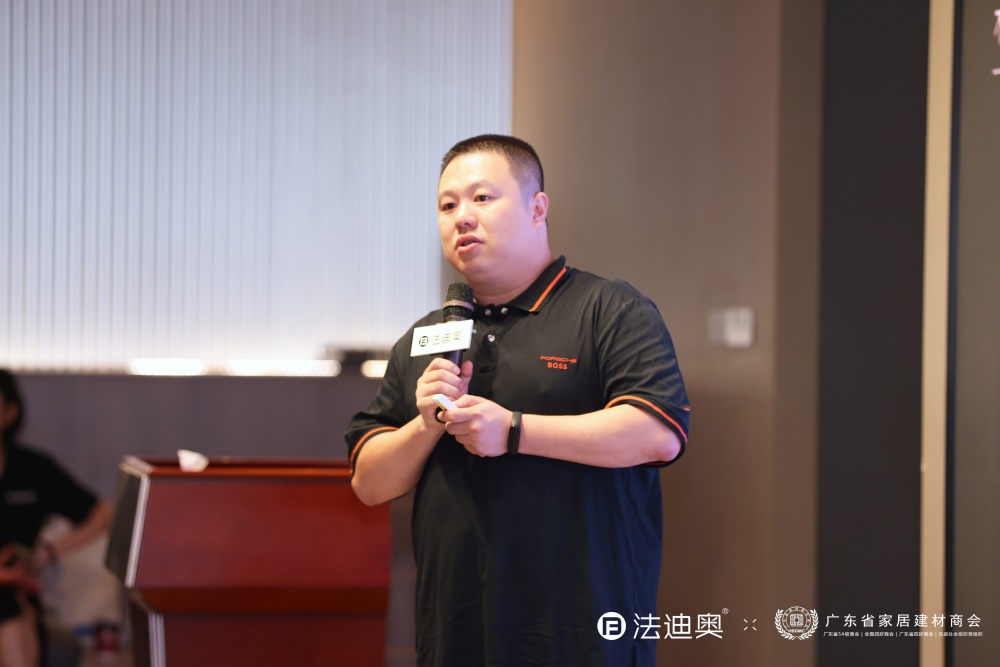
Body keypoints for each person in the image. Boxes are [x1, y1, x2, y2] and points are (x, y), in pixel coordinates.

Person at [345, 135, 690, 666]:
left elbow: (657, 434)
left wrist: (513, 430)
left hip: (579, 634)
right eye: (447, 205)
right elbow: (369, 483)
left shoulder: (608, 309)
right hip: (454, 632)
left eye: (482, 198)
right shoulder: (425, 338)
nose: (462, 216)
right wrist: (426, 424)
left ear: (537, 208)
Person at [0, 370, 113, 667]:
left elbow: (103, 513)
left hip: (16, 594)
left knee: (9, 602)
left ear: (10, 412)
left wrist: (49, 552)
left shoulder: (31, 468)